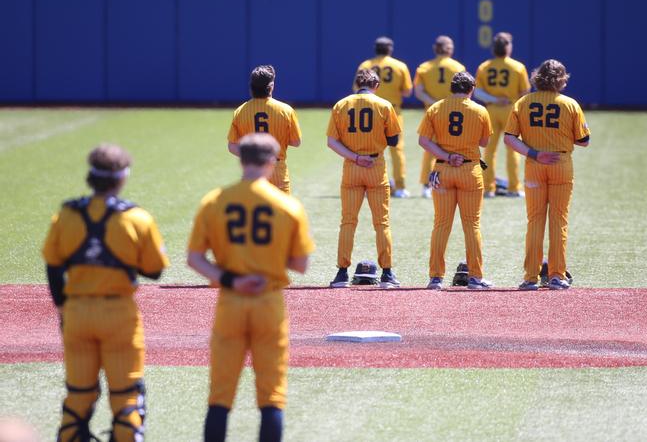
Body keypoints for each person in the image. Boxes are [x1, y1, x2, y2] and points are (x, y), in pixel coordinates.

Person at [187, 133, 314, 442]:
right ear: (272, 162)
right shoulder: (287, 205)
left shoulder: (215, 200)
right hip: (268, 302)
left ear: (241, 159)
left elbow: (194, 258)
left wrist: (231, 278)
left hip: (230, 299)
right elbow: (300, 264)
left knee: (220, 394)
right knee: (271, 395)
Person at [42, 144, 169, 442]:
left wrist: (62, 307)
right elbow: (155, 270)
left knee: (78, 395)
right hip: (118, 315)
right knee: (126, 396)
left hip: (76, 313)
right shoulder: (136, 218)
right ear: (122, 178)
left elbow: (53, 266)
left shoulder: (67, 214)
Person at [503, 59, 590, 290]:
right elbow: (584, 141)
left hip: (534, 163)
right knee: (558, 221)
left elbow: (509, 138)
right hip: (561, 163)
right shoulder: (570, 104)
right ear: (561, 80)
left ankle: (530, 277)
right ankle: (556, 275)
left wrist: (534, 152)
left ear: (537, 77)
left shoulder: (523, 102)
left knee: (535, 222)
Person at [327, 69, 402, 288]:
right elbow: (394, 140)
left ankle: (342, 273)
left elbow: (332, 142)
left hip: (352, 166)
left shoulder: (341, 105)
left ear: (356, 84)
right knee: (382, 223)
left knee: (348, 222)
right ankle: (387, 273)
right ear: (376, 85)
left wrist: (356, 156)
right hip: (375, 166)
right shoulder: (384, 105)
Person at [418, 72, 493, 290]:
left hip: (443, 169)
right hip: (470, 170)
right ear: (471, 89)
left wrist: (448, 154)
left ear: (451, 88)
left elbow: (424, 141)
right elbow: (485, 141)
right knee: (472, 225)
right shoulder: (480, 110)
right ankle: (475, 278)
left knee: (441, 225)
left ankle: (435, 277)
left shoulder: (435, 108)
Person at [227, 65, 302, 194]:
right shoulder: (286, 110)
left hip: (252, 168)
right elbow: (296, 142)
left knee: (253, 209)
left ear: (251, 86)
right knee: (281, 211)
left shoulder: (240, 111)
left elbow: (232, 146)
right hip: (276, 167)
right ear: (271, 86)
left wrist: (253, 155)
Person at [354, 37, 413, 198]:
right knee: (396, 149)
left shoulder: (365, 65)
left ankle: (366, 183)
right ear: (390, 49)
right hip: (392, 109)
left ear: (375, 49)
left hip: (369, 110)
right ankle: (400, 187)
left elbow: (356, 89)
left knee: (367, 146)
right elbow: (407, 91)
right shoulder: (399, 66)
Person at [474, 32, 531, 198]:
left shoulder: (485, 66)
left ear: (493, 49)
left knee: (489, 151)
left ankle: (487, 188)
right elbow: (525, 92)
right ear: (508, 48)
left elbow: (477, 92)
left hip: (490, 110)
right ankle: (513, 188)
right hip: (510, 110)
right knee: (512, 150)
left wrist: (494, 99)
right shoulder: (517, 67)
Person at [414, 35, 466, 198]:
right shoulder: (458, 66)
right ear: (449, 49)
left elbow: (419, 92)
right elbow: (464, 90)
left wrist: (435, 102)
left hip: (433, 112)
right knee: (456, 147)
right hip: (454, 112)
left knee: (429, 149)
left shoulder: (424, 67)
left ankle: (426, 185)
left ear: (435, 48)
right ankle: (456, 180)